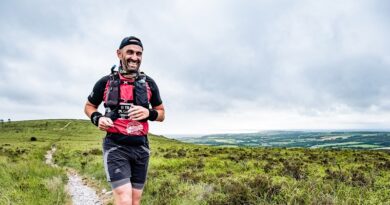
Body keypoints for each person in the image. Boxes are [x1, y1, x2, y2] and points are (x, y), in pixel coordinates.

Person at [84, 36, 165, 205]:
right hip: (115, 147)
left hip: (141, 148)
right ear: (119, 54)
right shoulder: (105, 82)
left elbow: (161, 113)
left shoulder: (149, 83)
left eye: (139, 54)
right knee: (124, 200)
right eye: (130, 52)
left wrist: (148, 113)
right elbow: (89, 106)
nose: (134, 57)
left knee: (135, 201)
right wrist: (97, 118)